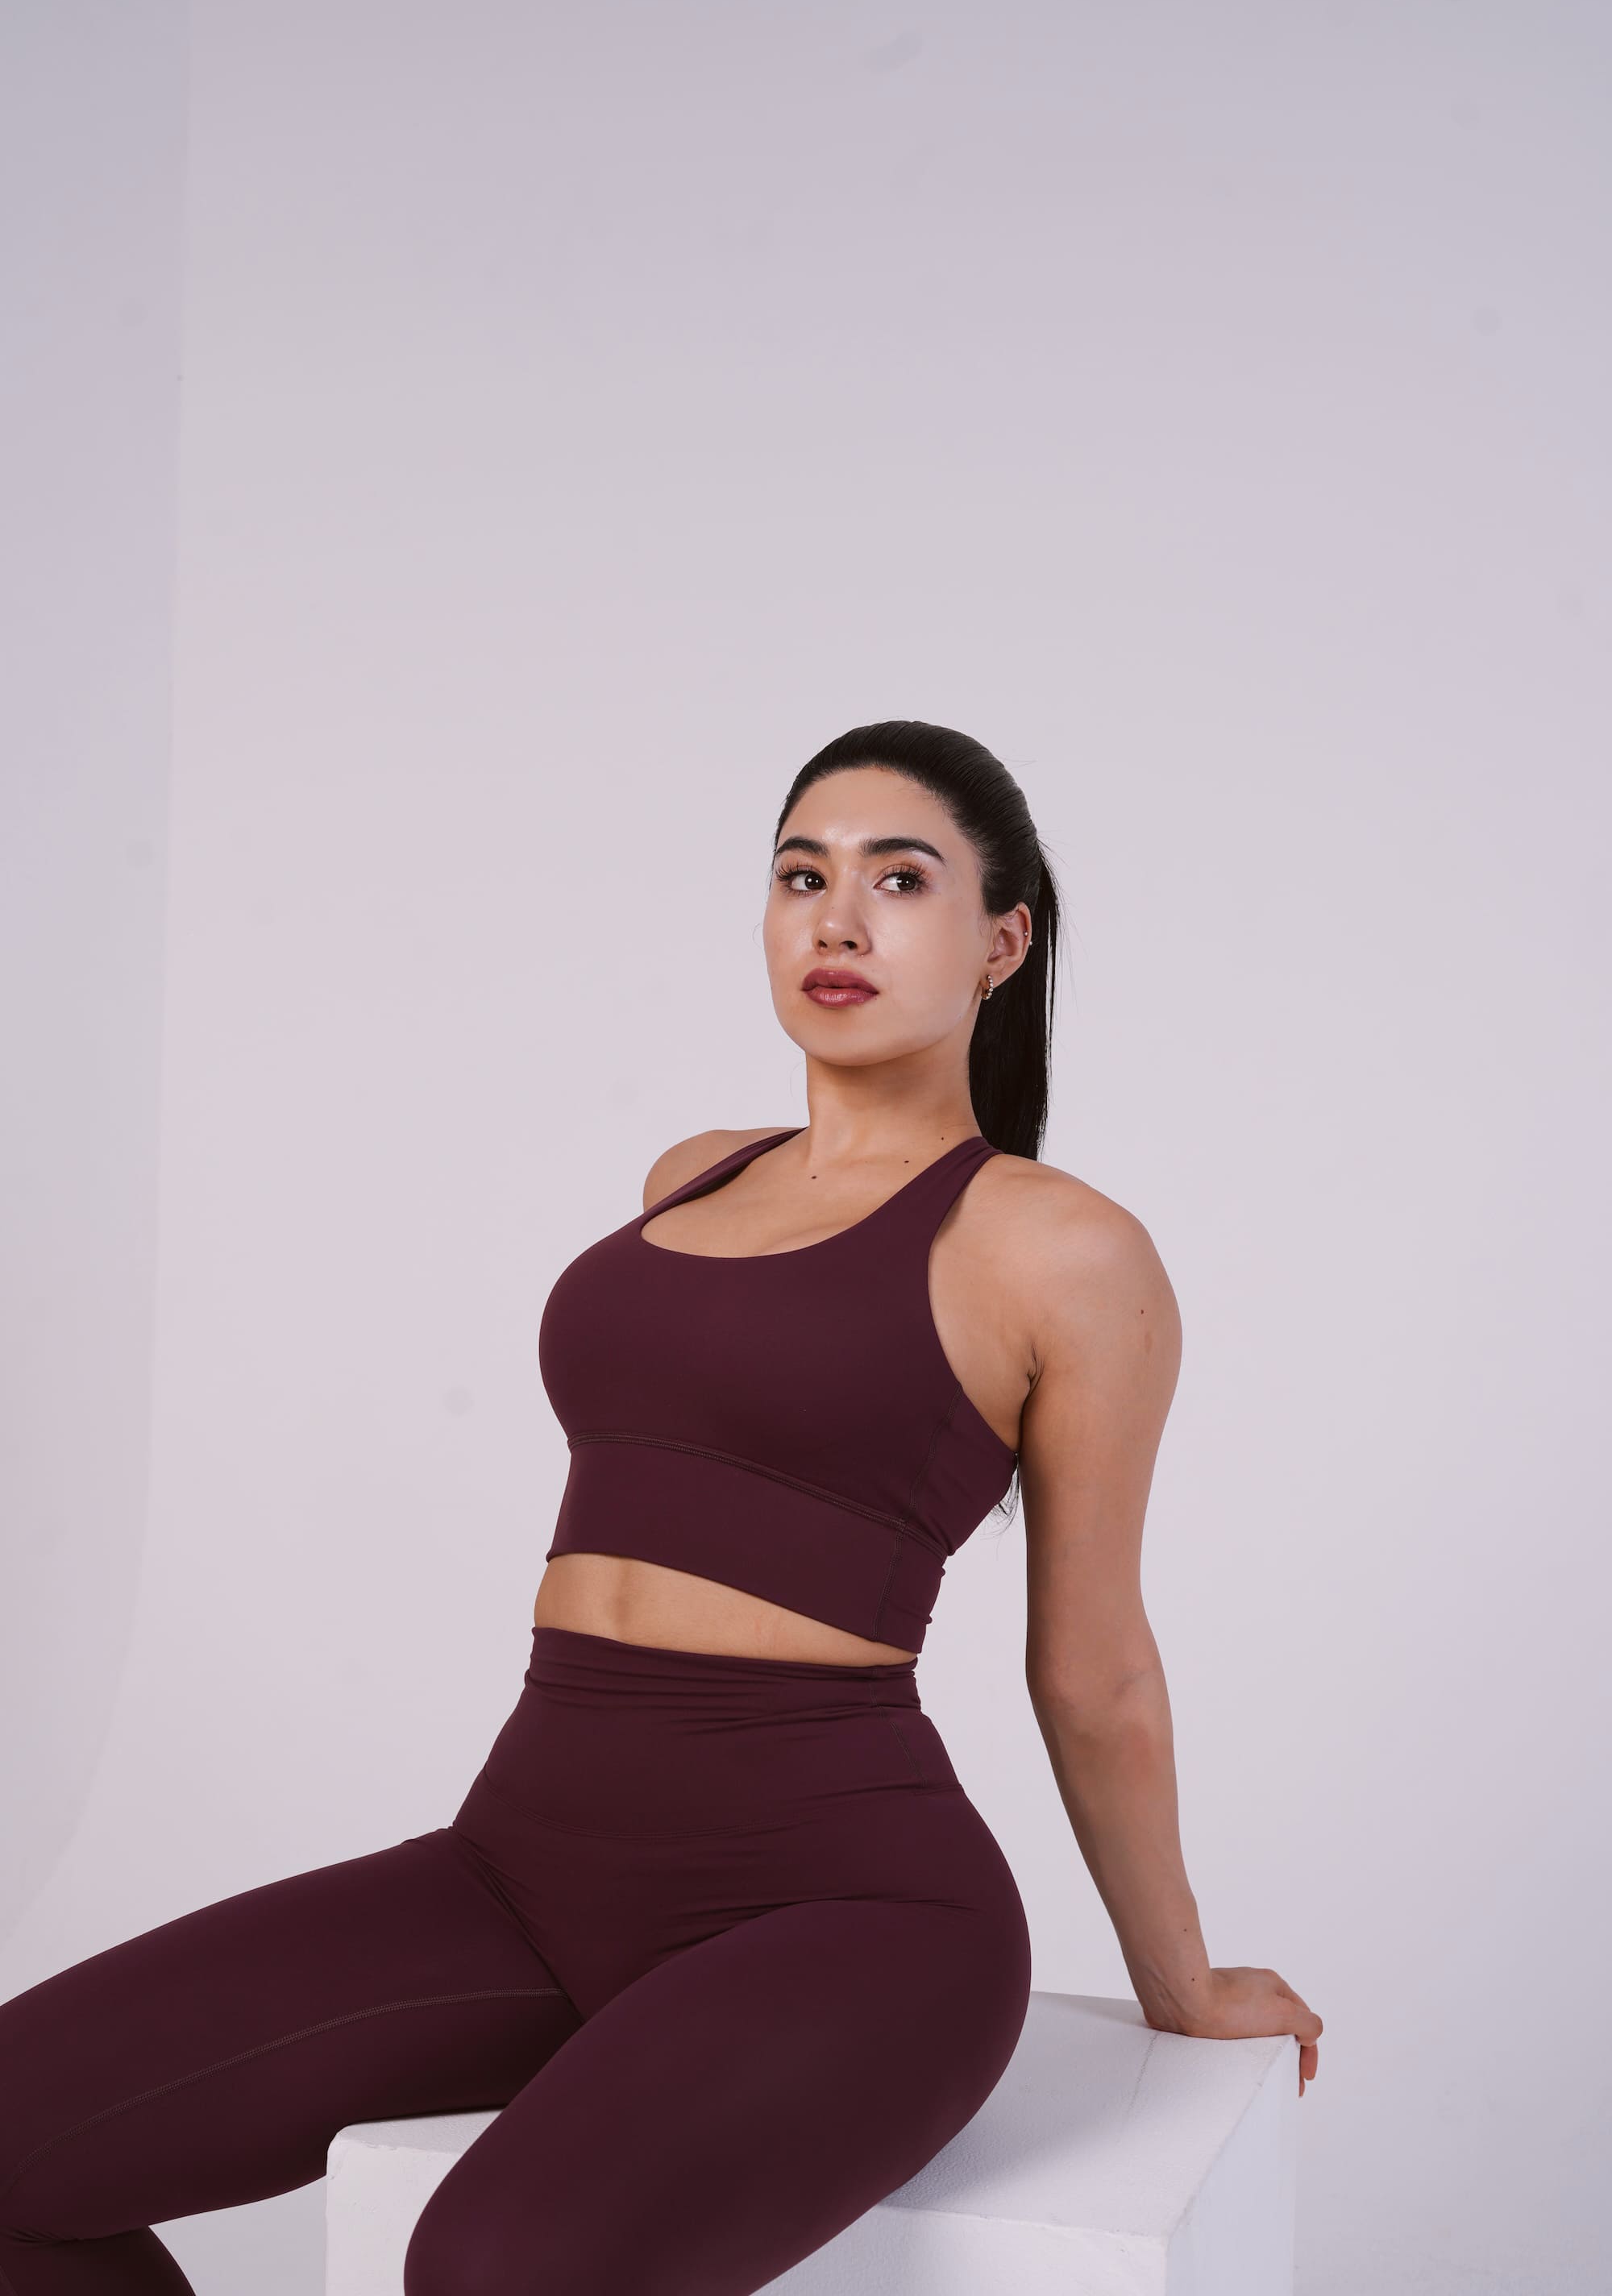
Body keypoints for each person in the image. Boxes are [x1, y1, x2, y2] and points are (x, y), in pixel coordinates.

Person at [0, 717, 1322, 2294]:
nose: (835, 920)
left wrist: (1178, 1984)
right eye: (798, 875)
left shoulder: (1058, 1249)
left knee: (486, 2268)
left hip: (850, 1910)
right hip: (525, 1861)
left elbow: (1092, 1665)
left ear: (1001, 940)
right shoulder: (691, 1173)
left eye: (899, 880)